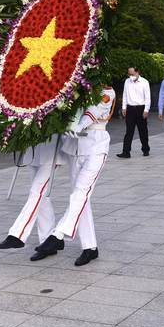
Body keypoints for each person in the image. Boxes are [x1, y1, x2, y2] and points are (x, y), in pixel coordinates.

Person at [31, 87, 115, 266]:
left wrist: (79, 125)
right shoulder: (74, 88)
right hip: (74, 147)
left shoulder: (108, 91)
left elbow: (93, 111)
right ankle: (90, 247)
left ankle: (58, 234)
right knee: (80, 197)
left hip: (96, 146)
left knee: (81, 193)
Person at [0, 134, 67, 251]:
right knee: (41, 199)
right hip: (33, 151)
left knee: (36, 192)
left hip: (52, 151)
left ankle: (17, 234)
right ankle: (48, 241)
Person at [117, 65, 151, 158]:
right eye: (129, 74)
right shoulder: (127, 82)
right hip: (130, 108)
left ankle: (145, 149)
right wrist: (124, 107)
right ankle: (126, 151)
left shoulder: (144, 82)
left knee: (143, 130)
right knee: (129, 131)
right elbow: (125, 95)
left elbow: (147, 97)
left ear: (137, 73)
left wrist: (146, 110)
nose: (131, 76)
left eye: (132, 74)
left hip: (141, 108)